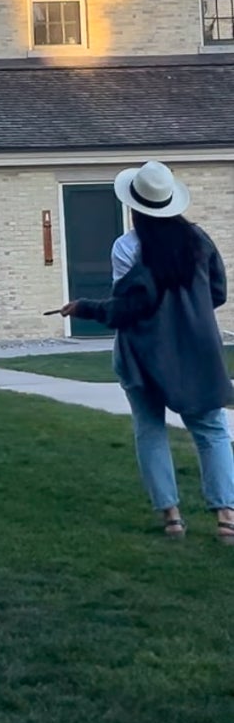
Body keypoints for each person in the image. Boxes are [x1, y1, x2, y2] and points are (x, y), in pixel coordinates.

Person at [61, 160, 234, 541]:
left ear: (135, 205)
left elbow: (125, 310)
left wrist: (84, 306)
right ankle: (226, 518)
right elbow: (216, 294)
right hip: (198, 351)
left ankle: (172, 518)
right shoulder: (200, 242)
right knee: (211, 431)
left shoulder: (127, 249)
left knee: (151, 430)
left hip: (143, 356)